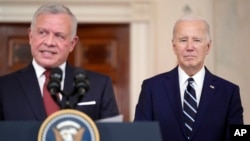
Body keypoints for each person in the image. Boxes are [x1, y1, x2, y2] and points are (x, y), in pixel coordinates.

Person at [0, 3, 119, 121]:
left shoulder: (99, 85)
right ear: (31, 36)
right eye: (42, 33)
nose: (49, 42)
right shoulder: (4, 87)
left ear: (72, 44)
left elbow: (113, 136)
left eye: (59, 36)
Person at [134, 15, 243, 141]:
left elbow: (238, 137)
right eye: (183, 40)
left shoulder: (229, 92)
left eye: (197, 40)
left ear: (208, 47)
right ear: (174, 46)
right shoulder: (152, 88)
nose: (190, 47)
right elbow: (139, 136)